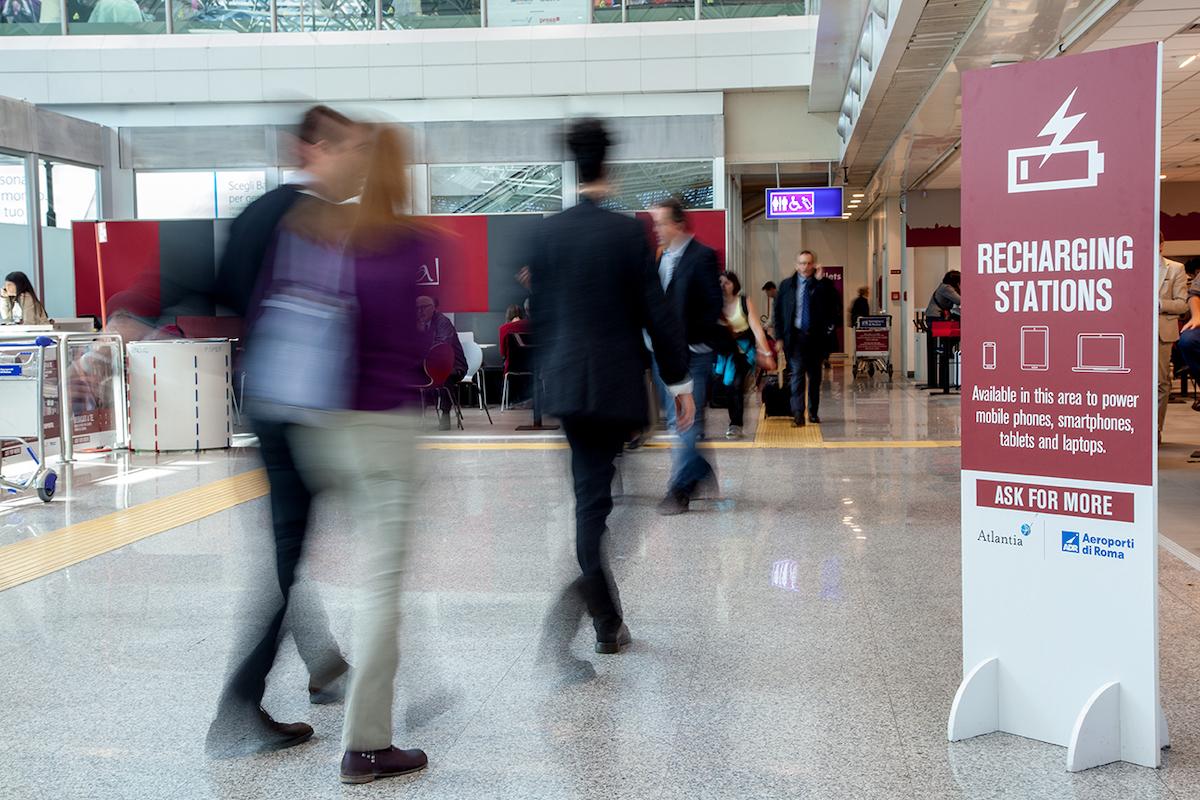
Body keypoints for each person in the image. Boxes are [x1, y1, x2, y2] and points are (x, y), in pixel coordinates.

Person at [207, 106, 367, 756]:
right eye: (346, 147)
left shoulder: (282, 213)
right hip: (293, 411)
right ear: (314, 148)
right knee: (285, 556)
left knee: (289, 550)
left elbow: (228, 291)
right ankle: (239, 706)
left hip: (287, 405)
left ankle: (323, 665)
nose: (355, 159)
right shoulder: (290, 214)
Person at [288, 125, 431, 785]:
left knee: (296, 556)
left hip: (325, 431)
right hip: (385, 433)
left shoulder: (329, 238)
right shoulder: (414, 248)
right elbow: (425, 352)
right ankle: (367, 744)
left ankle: (317, 658)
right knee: (380, 587)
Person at [530, 117, 694, 656]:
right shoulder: (628, 232)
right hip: (616, 387)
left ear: (573, 165)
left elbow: (542, 319)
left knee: (590, 499)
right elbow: (656, 313)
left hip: (569, 389)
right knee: (600, 506)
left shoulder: (548, 233)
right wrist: (679, 381)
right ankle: (598, 615)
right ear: (609, 166)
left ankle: (604, 614)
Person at [648, 196, 722, 515]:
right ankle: (699, 470)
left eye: (661, 223)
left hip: (692, 355)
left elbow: (712, 306)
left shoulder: (702, 257)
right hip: (665, 357)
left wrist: (686, 341)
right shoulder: (660, 259)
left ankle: (679, 489)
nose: (657, 230)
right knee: (680, 423)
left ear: (678, 223)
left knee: (686, 423)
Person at [774, 250, 840, 426]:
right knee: (796, 374)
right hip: (795, 337)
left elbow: (833, 305)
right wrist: (779, 337)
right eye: (802, 263)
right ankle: (797, 413)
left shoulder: (823, 284)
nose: (805, 266)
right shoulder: (787, 285)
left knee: (815, 376)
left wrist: (820, 281)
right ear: (796, 265)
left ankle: (813, 411)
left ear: (814, 265)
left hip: (816, 338)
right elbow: (778, 312)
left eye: (809, 263)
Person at [715, 271, 774, 439]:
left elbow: (756, 328)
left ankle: (735, 424)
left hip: (744, 352)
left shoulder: (744, 301)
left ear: (734, 284)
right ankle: (733, 419)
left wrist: (767, 352)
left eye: (727, 282)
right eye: (720, 282)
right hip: (724, 353)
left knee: (736, 384)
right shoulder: (715, 304)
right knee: (727, 387)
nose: (723, 286)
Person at [417, 294, 468, 430]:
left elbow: (441, 347)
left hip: (453, 366)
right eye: (417, 308)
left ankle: (445, 414)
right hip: (428, 366)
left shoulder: (442, 322)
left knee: (445, 376)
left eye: (423, 308)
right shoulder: (416, 323)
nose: (420, 311)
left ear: (433, 308)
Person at [1158, 233, 1188, 440]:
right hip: (1133, 333)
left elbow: (1183, 304)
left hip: (1161, 333)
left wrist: (1159, 304)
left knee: (1160, 382)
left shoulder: (1175, 268)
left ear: (1161, 245)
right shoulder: (1132, 265)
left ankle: (1155, 430)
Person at [924, 270, 962, 389]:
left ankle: (946, 350)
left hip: (933, 318)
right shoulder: (947, 288)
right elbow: (959, 300)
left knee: (955, 330)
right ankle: (946, 350)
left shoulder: (944, 287)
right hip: (935, 318)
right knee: (955, 333)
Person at [498, 302, 531, 373]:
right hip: (531, 367)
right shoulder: (531, 326)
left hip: (511, 369)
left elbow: (503, 353)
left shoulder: (503, 329)